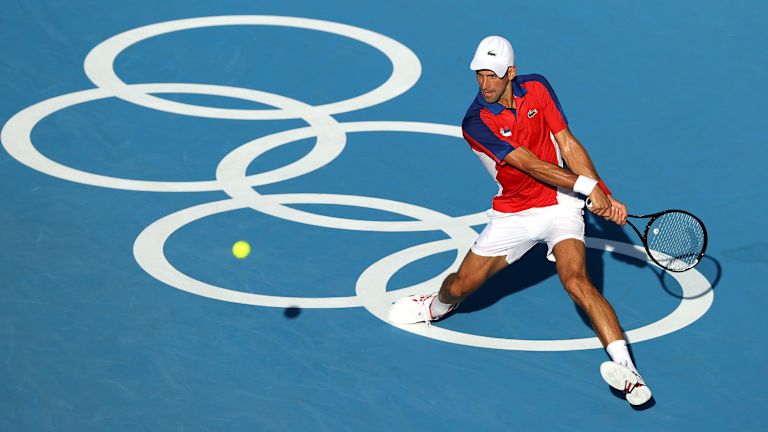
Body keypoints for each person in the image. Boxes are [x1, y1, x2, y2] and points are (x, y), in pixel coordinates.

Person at [388, 35, 652, 406]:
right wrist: (588, 186)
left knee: (577, 281)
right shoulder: (476, 121)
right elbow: (530, 164)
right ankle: (434, 306)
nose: (485, 84)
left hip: (561, 206)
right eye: (479, 75)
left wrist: (601, 192)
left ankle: (630, 374)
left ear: (510, 72)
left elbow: (567, 143)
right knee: (461, 286)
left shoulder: (539, 87)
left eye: (493, 76)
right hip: (514, 214)